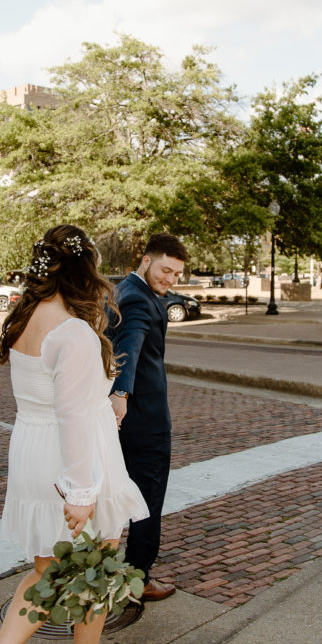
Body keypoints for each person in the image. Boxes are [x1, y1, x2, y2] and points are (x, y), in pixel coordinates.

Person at [0, 225, 148, 644]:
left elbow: (56, 400)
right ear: (85, 272)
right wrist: (83, 493)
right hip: (75, 459)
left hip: (31, 452)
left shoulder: (24, 319)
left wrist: (100, 405)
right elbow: (71, 417)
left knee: (48, 572)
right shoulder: (74, 333)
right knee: (98, 566)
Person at [107, 233, 188, 601]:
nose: (170, 280)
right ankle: (137, 577)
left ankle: (106, 569)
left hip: (128, 420)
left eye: (176, 275)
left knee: (116, 495)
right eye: (165, 270)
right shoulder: (139, 300)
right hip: (146, 420)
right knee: (148, 498)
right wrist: (120, 394)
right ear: (146, 260)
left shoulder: (123, 288)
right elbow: (130, 347)